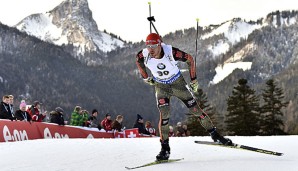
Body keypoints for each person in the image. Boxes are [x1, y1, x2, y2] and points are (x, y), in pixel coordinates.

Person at [136, 33, 232, 161]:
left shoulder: (172, 52)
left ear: (160, 44)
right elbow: (138, 61)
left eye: (153, 45)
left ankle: (215, 135)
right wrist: (146, 77)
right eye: (148, 46)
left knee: (196, 110)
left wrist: (193, 81)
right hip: (161, 86)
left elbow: (190, 59)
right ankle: (165, 149)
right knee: (164, 116)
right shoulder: (143, 54)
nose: (151, 49)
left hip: (178, 84)